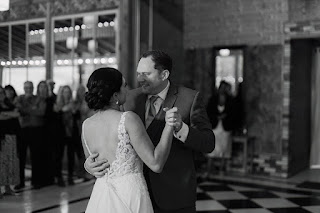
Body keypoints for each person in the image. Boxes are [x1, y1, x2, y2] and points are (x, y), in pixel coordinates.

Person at [85, 50, 215, 213]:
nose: (139, 79)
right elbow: (111, 135)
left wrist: (182, 128)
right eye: (138, 73)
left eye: (146, 74)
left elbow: (208, 143)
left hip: (175, 196)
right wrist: (89, 164)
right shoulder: (128, 97)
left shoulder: (189, 98)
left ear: (164, 74)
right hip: (133, 196)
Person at [82, 67, 174, 213]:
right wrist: (169, 126)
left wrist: (87, 166)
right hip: (130, 194)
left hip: (101, 197)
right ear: (115, 95)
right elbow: (156, 164)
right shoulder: (128, 119)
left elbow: (93, 167)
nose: (128, 89)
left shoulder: (86, 125)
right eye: (124, 85)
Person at [205, 81, 235, 175]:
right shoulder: (213, 99)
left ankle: (222, 169)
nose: (222, 90)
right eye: (221, 87)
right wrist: (216, 116)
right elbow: (208, 112)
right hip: (215, 126)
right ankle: (209, 169)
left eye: (224, 88)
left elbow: (234, 113)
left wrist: (226, 116)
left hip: (226, 126)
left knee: (224, 147)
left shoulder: (230, 100)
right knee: (213, 147)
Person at [54, 85, 78, 185]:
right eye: (65, 92)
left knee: (71, 156)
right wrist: (63, 110)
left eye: (68, 92)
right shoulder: (57, 104)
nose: (66, 94)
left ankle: (70, 176)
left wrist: (73, 112)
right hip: (60, 133)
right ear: (61, 93)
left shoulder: (74, 104)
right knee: (59, 155)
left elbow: (78, 118)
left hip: (71, 133)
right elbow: (55, 119)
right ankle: (59, 177)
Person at [0, 86, 20, 198]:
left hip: (11, 136)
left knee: (10, 162)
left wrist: (7, 114)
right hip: (2, 137)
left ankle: (8, 187)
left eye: (2, 92)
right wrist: (10, 114)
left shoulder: (9, 104)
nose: (1, 95)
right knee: (2, 163)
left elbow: (17, 114)